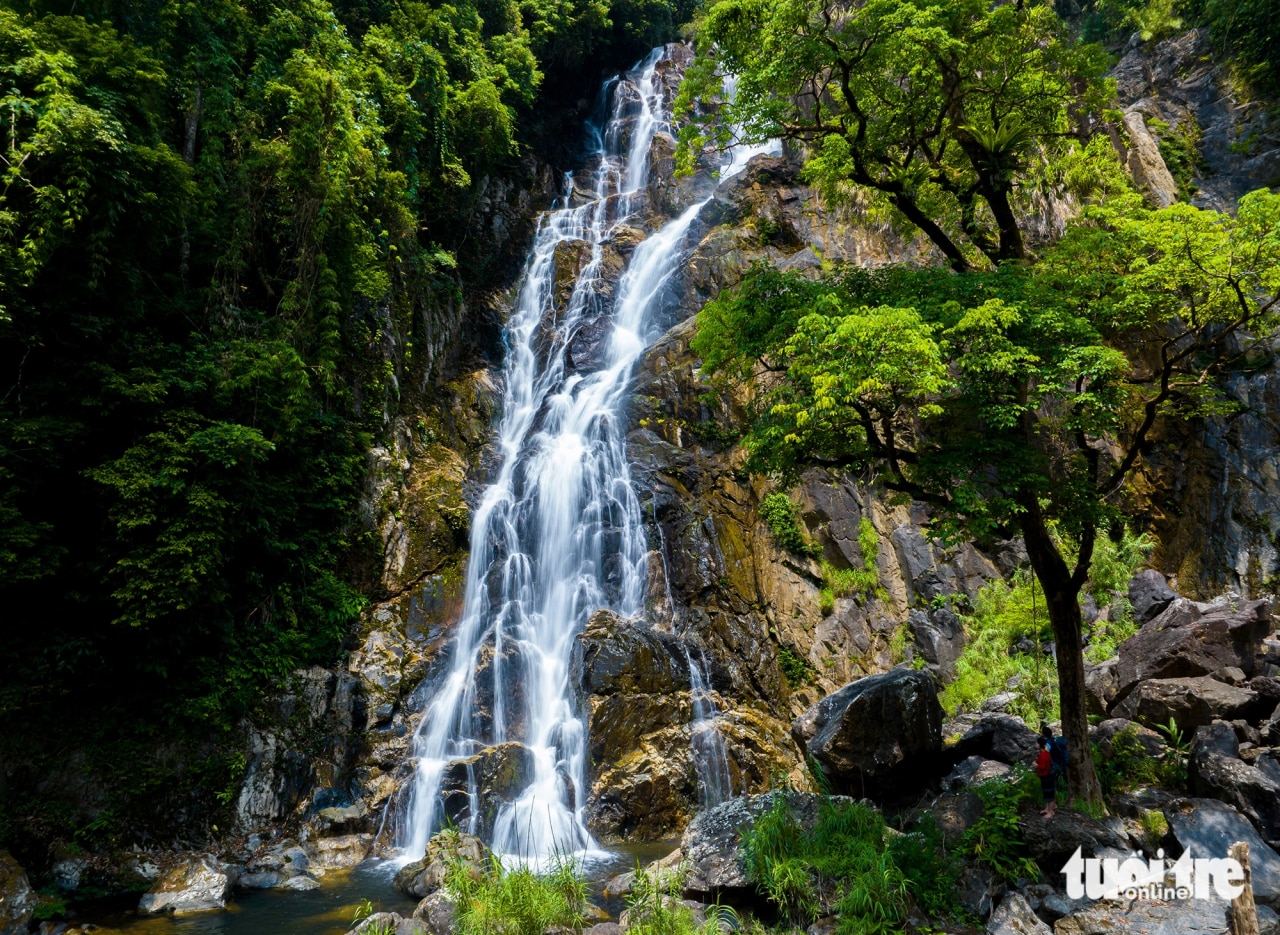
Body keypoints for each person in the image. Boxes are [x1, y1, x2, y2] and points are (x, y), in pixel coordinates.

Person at [1035, 736, 1057, 817]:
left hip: (1046, 776)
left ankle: (1051, 812)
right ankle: (1047, 809)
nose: (1035, 744)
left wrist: (1036, 764)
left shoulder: (1043, 754)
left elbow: (1043, 766)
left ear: (1040, 744)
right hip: (1047, 776)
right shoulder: (1045, 752)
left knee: (1049, 794)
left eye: (1036, 743)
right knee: (1047, 793)